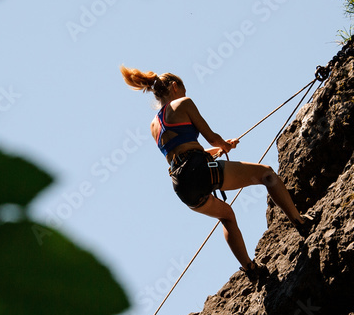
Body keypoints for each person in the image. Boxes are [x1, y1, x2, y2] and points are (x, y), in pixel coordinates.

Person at [121, 66, 316, 278]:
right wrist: (222, 144)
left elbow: (181, 151)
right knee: (267, 174)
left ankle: (251, 270)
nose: (185, 94)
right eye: (183, 90)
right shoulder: (183, 103)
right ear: (175, 87)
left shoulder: (154, 126)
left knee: (227, 216)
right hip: (199, 169)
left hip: (181, 185)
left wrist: (220, 149)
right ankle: (301, 223)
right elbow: (211, 137)